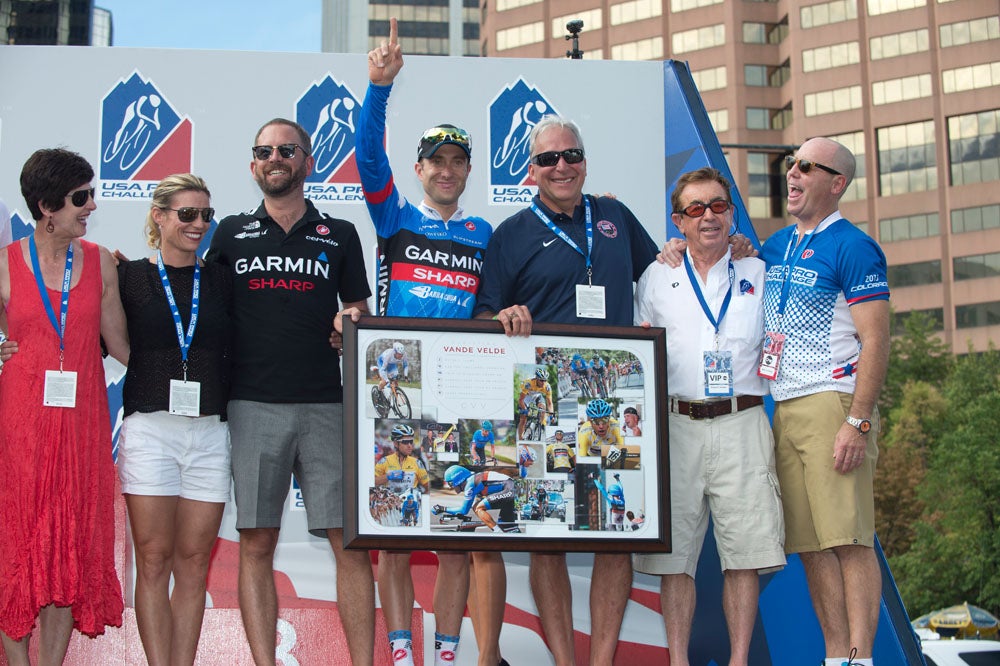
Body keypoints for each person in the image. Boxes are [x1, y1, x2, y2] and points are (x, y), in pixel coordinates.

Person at [360, 20, 531, 666]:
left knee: (459, 535)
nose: (447, 170)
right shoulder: (395, 218)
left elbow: (498, 300)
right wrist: (379, 89)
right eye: (436, 160)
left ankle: (449, 654)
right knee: (395, 536)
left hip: (463, 393)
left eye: (458, 161)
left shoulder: (485, 232)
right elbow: (368, 160)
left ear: (467, 171)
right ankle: (403, 654)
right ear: (420, 169)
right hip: (398, 390)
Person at [474, 115, 659, 665]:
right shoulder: (510, 233)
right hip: (542, 398)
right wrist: (500, 317)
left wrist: (720, 246)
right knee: (545, 534)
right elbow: (484, 312)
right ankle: (564, 661)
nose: (562, 166)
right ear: (531, 171)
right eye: (549, 159)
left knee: (616, 534)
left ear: (584, 161)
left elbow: (665, 275)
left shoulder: (616, 216)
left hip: (614, 395)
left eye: (571, 155)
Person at [205, 118, 375, 665]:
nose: (274, 158)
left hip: (326, 403)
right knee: (257, 542)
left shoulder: (339, 233)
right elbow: (198, 305)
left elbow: (358, 308)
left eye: (286, 149)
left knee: (349, 542)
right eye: (263, 151)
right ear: (253, 164)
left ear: (308, 160)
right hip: (252, 402)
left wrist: (350, 321)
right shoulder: (229, 232)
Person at [633, 166, 785, 665]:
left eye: (718, 206)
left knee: (744, 556)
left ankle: (738, 660)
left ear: (732, 214)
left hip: (743, 422)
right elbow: (636, 353)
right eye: (695, 209)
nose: (709, 217)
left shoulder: (758, 272)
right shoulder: (657, 276)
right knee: (674, 560)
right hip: (675, 426)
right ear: (679, 221)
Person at [762, 139, 889, 666]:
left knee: (849, 540)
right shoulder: (775, 245)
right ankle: (837, 656)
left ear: (837, 183)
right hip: (785, 407)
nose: (793, 174)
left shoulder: (853, 246)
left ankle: (860, 658)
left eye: (807, 167)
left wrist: (857, 422)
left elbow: (876, 340)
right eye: (791, 165)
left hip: (834, 403)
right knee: (812, 546)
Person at [0, 148, 128, 664]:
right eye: (81, 197)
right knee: (17, 544)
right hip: (21, 428)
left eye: (91, 194)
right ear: (47, 206)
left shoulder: (100, 262)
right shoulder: (5, 264)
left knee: (67, 547)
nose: (92, 205)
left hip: (81, 428)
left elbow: (123, 347)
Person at [117, 174, 233, 666]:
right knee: (153, 559)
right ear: (159, 216)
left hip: (210, 432)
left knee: (194, 563)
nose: (198, 224)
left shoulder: (223, 279)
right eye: (187, 214)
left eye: (205, 215)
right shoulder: (127, 277)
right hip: (150, 430)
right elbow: (85, 331)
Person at [434, 466, 519, 533]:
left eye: (451, 483)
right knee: (508, 528)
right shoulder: (473, 480)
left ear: (458, 480)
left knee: (478, 508)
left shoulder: (470, 485)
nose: (450, 487)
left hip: (510, 490)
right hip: (511, 489)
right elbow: (468, 506)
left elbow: (464, 510)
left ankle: (498, 533)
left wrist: (443, 509)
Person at [577, 398, 625, 464]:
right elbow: (581, 460)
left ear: (609, 420)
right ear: (590, 422)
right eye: (596, 421)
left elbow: (626, 452)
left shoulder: (617, 428)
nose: (601, 426)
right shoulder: (584, 432)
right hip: (592, 459)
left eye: (605, 420)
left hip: (612, 457)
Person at [517, 367, 553, 440]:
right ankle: (520, 438)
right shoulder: (528, 384)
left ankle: (540, 425)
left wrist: (551, 415)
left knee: (543, 408)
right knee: (523, 419)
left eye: (545, 380)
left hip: (537, 396)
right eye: (541, 380)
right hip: (526, 397)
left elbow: (549, 403)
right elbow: (521, 400)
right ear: (536, 378)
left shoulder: (547, 387)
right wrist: (525, 410)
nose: (543, 382)